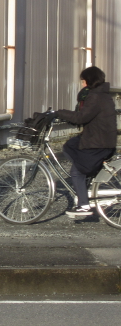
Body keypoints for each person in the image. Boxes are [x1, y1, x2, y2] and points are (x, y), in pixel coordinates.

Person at [54, 66, 117, 216]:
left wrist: (59, 113)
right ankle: (89, 172)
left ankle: (83, 205)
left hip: (98, 144)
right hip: (102, 140)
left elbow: (82, 117)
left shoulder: (95, 97)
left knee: (77, 171)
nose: (82, 84)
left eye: (83, 81)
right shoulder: (104, 95)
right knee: (70, 145)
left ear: (89, 80)